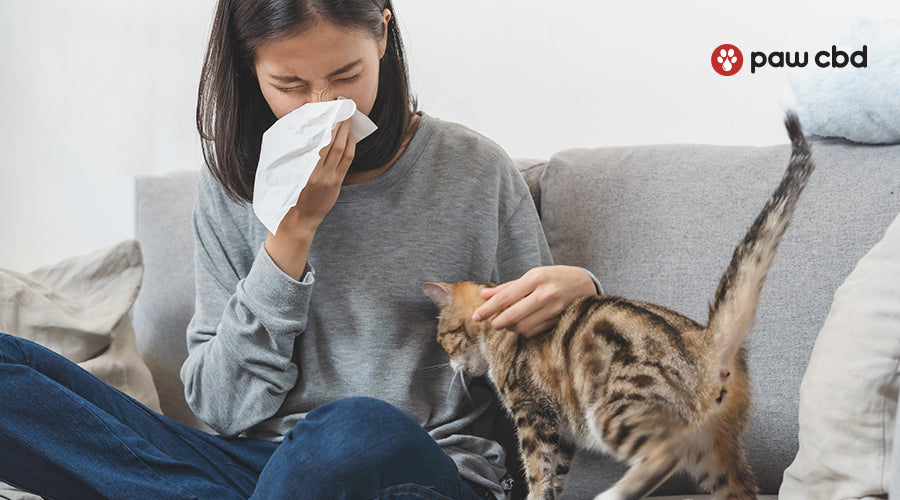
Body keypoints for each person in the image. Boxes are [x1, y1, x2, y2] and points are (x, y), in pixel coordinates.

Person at [0, 1, 599, 498]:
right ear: (250, 67)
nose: (324, 106)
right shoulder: (230, 189)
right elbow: (221, 408)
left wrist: (581, 302)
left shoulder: (473, 171)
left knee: (351, 428)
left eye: (346, 76)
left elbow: (545, 396)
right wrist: (290, 239)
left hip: (418, 468)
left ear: (384, 33)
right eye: (289, 84)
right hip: (254, 467)